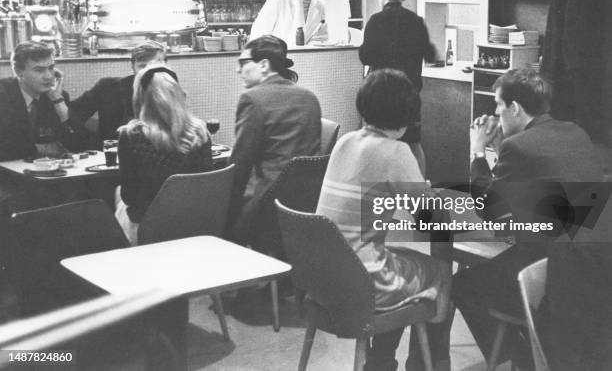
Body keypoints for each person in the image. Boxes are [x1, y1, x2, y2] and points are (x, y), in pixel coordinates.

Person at [453, 68, 602, 369]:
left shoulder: (519, 146)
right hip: (590, 267)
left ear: (515, 108)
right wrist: (501, 149)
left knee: (462, 286)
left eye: (498, 105)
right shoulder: (575, 131)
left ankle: (522, 360)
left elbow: (488, 209)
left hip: (548, 270)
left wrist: (477, 151)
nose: (495, 112)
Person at [316, 69, 450, 371]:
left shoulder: (345, 142)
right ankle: (423, 364)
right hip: (360, 285)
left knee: (399, 260)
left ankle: (380, 361)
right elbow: (431, 220)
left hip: (320, 279)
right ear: (408, 114)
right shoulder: (397, 152)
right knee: (435, 271)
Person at [227, 35, 321, 247]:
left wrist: (224, 205)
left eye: (243, 63)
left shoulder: (252, 99)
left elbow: (240, 164)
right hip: (307, 200)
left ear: (263, 65)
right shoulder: (309, 97)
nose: (238, 69)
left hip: (266, 203)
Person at [115, 64, 213, 245]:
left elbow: (129, 196)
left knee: (117, 195)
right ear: (179, 95)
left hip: (148, 228)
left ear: (140, 98)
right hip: (195, 225)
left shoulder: (131, 136)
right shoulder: (200, 132)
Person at [358, 0, 436, 176]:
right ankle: (419, 191)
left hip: (379, 93)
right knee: (413, 144)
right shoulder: (416, 21)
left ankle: (378, 189)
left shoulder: (375, 21)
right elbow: (430, 55)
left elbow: (365, 57)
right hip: (408, 94)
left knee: (375, 143)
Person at [0, 41, 90, 161]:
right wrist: (45, 148)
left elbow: (82, 145)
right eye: (39, 70)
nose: (48, 76)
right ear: (18, 72)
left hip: (41, 174)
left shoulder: (55, 96)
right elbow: (6, 147)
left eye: (51, 68)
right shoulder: (3, 95)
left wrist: (58, 101)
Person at [71, 41, 166, 146]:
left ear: (166, 67)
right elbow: (73, 115)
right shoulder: (107, 87)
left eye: (154, 67)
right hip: (110, 155)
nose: (147, 72)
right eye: (142, 67)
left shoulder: (171, 94)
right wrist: (95, 144)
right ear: (132, 66)